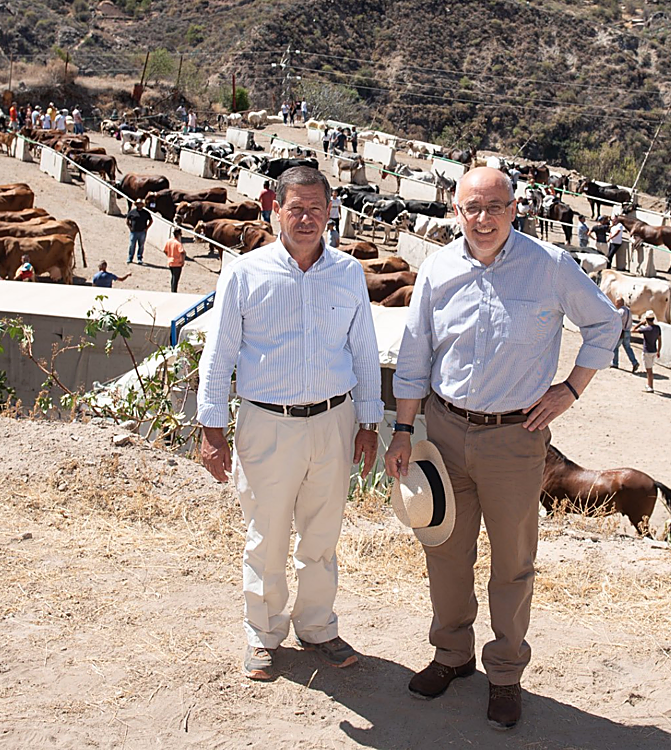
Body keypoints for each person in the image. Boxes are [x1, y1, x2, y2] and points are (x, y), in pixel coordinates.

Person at [385, 167, 621, 731]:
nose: (483, 218)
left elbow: (605, 325)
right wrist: (403, 428)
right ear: (456, 211)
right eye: (472, 208)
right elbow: (416, 352)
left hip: (517, 439)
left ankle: (507, 673)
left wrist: (569, 390)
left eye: (495, 206)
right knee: (444, 549)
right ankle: (452, 655)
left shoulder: (550, 266)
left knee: (513, 563)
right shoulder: (439, 267)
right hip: (443, 430)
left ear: (515, 209)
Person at [196, 165, 383, 682]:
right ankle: (263, 632)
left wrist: (369, 423)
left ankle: (318, 627)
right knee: (267, 534)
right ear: (274, 209)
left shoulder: (347, 273)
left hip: (333, 422)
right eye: (295, 208)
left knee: (322, 534)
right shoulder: (245, 272)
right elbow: (219, 355)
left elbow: (364, 353)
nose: (306, 219)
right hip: (267, 423)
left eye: (316, 210)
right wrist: (212, 430)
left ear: (331, 213)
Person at [633, 310, 661, 393]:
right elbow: (660, 340)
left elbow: (633, 330)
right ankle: (649, 384)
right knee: (650, 368)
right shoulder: (657, 328)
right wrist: (659, 350)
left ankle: (650, 386)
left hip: (647, 351)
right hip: (654, 350)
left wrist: (640, 324)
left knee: (649, 370)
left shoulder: (646, 329)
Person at [611, 296, 639, 372]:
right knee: (628, 347)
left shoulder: (620, 312)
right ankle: (634, 362)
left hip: (621, 332)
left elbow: (617, 322)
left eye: (616, 302)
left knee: (615, 347)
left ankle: (615, 363)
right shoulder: (629, 311)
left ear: (619, 303)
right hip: (627, 331)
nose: (615, 304)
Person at [126, 199, 153, 264]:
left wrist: (147, 228)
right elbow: (127, 220)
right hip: (134, 232)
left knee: (141, 245)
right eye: (138, 204)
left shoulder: (146, 213)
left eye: (140, 204)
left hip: (142, 232)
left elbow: (151, 220)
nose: (139, 205)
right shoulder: (132, 212)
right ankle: (130, 258)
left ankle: (139, 258)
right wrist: (130, 227)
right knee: (132, 245)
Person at [163, 228, 186, 292]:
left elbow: (165, 250)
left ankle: (172, 290)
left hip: (170, 262)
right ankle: (174, 291)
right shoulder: (178, 243)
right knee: (176, 279)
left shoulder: (169, 241)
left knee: (173, 277)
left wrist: (169, 256)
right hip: (177, 263)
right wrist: (182, 261)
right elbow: (182, 252)